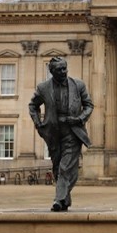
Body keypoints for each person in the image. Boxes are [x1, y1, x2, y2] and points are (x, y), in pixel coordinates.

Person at [29, 56, 94, 212]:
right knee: (58, 167)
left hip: (73, 131)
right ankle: (65, 200)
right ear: (52, 71)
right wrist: (38, 123)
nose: (63, 71)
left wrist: (80, 118)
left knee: (65, 167)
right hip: (53, 132)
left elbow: (89, 105)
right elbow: (33, 105)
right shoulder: (43, 88)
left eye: (65, 68)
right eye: (59, 69)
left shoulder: (78, 85)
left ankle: (58, 199)